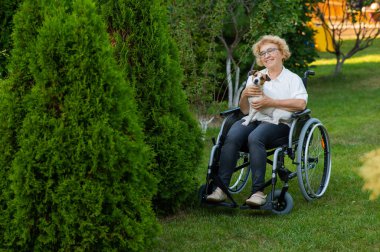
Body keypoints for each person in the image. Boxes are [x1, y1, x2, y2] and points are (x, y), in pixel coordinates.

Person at [206, 35, 308, 206]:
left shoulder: (292, 79)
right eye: (262, 53)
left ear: (282, 53)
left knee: (256, 137)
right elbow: (245, 110)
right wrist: (244, 94)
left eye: (271, 51)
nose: (266, 55)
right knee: (232, 135)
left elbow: (301, 104)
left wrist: (272, 102)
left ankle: (257, 192)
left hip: (279, 123)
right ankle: (220, 189)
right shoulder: (256, 77)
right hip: (254, 118)